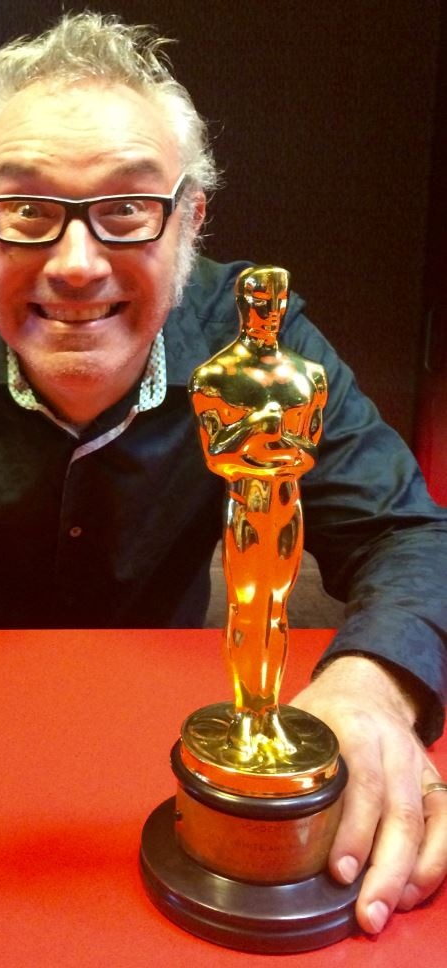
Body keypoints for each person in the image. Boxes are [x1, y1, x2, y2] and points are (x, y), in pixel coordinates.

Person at [0, 12, 445, 936]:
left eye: (128, 208)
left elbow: (408, 529)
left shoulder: (261, 340)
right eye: (25, 209)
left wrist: (374, 687)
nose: (75, 263)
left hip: (173, 747)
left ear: (191, 216)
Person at [189, 265, 329, 763]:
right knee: (247, 610)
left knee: (278, 612)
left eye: (277, 300)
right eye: (258, 300)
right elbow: (217, 457)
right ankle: (246, 713)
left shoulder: (308, 376)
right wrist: (258, 426)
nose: (268, 311)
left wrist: (266, 440)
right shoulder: (214, 378)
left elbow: (308, 453)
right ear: (241, 302)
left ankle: (267, 711)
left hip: (286, 506)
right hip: (247, 505)